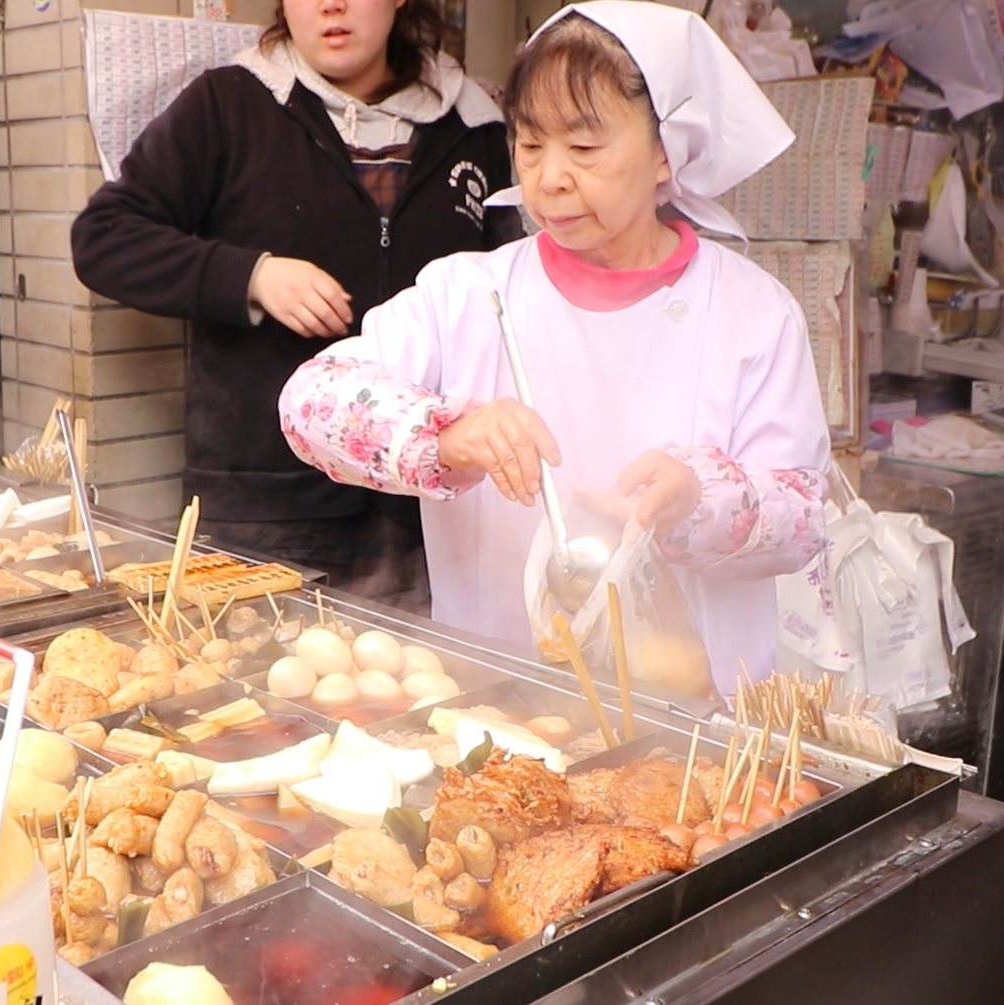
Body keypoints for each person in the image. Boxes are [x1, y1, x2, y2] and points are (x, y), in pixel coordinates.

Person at [278, 0, 829, 694]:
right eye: (531, 144)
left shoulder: (752, 312)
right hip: (493, 697)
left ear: (666, 150)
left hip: (694, 724)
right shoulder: (468, 291)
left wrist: (700, 497)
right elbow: (308, 402)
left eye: (585, 147)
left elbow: (804, 518)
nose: (550, 177)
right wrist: (445, 435)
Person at [71, 0, 523, 613]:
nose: (331, 5)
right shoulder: (228, 104)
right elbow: (104, 237)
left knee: (423, 673)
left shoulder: (475, 127)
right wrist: (251, 276)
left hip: (429, 506)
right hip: (263, 506)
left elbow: (512, 298)